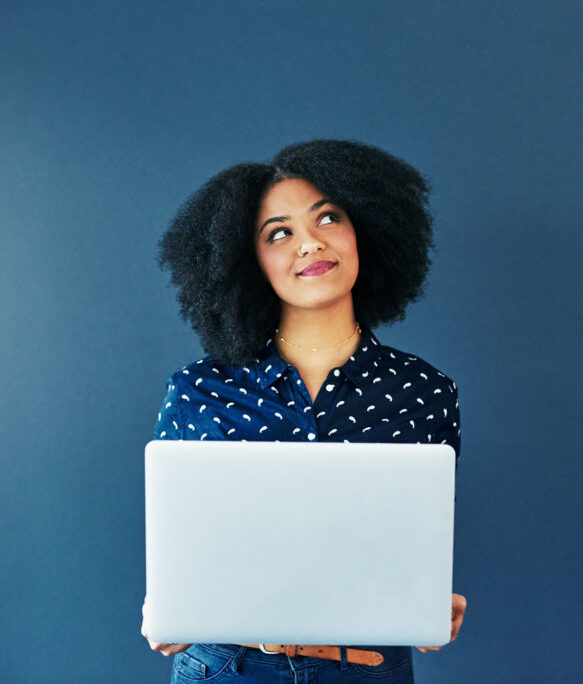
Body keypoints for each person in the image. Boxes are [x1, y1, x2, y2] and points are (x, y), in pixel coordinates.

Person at [142, 140, 466, 683]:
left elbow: (415, 546)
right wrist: (166, 608)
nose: (309, 243)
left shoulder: (425, 390)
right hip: (226, 667)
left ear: (365, 231)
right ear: (248, 261)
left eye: (328, 218)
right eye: (279, 233)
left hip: (366, 669)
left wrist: (430, 601)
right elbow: (182, 549)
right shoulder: (198, 389)